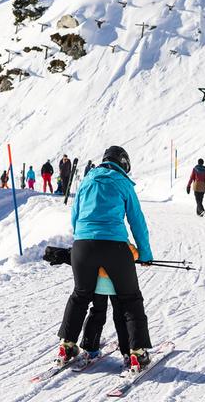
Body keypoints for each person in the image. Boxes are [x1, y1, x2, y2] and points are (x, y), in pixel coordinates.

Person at [56, 145, 153, 373]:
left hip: (82, 245)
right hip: (114, 247)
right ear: (124, 163)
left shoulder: (88, 180)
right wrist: (145, 254)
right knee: (129, 298)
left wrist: (84, 239)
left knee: (80, 295)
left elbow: (75, 216)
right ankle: (137, 353)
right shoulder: (123, 183)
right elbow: (137, 221)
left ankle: (67, 346)